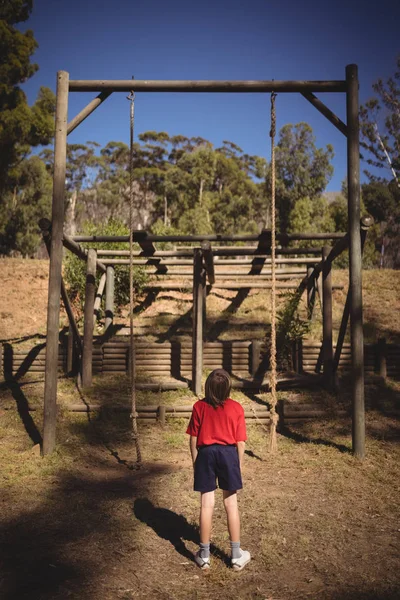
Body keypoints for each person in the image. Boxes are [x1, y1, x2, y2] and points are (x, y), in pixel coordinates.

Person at [186, 368, 251, 571]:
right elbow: (240, 443)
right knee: (231, 503)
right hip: (228, 454)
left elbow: (193, 438)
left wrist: (196, 462)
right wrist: (238, 465)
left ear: (208, 388)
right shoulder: (237, 408)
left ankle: (204, 555)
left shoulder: (199, 407)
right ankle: (236, 555)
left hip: (205, 454)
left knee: (207, 504)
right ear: (228, 388)